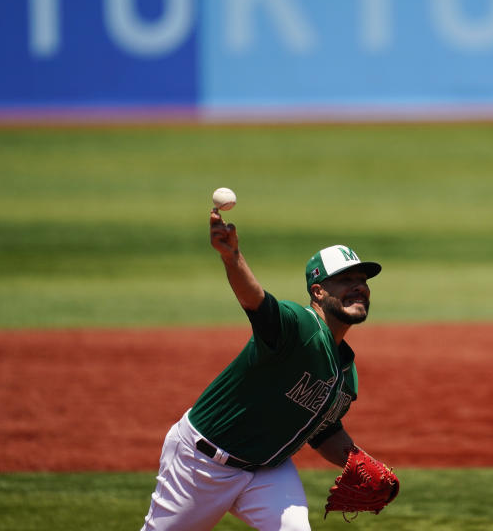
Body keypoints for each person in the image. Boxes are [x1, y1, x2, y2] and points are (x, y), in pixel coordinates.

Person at [141, 209, 388, 530]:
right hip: (202, 462)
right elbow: (258, 304)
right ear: (318, 292)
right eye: (345, 280)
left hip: (267, 469)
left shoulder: (346, 372)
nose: (359, 288)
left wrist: (360, 462)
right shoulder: (297, 327)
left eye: (362, 281)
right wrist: (233, 258)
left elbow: (323, 431)